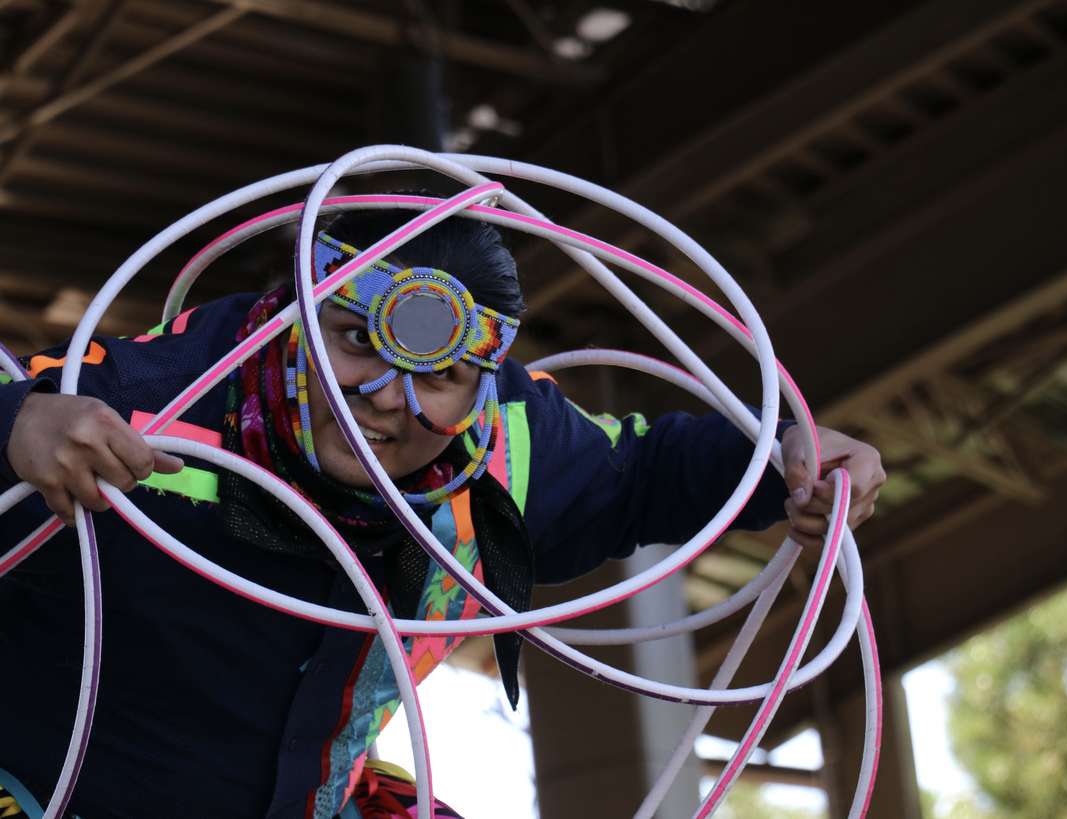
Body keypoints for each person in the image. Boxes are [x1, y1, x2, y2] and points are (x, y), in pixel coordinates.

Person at [0, 207, 885, 818]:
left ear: (481, 376)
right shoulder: (149, 399)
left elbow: (648, 469)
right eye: (356, 343)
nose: (386, 400)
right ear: (301, 318)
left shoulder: (507, 449)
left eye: (439, 374)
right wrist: (17, 425)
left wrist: (784, 463)